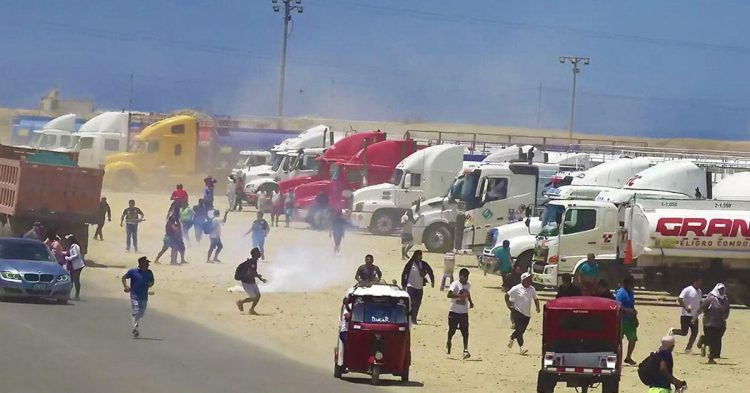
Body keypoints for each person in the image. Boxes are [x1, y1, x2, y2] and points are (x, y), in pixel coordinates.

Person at [505, 272, 540, 355]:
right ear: (524, 280)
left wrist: (537, 307)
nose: (530, 281)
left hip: (527, 314)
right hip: (517, 312)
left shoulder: (532, 289)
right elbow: (507, 295)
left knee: (521, 330)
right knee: (520, 331)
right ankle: (522, 347)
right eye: (528, 279)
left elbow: (535, 298)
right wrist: (509, 304)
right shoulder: (516, 288)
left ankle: (512, 337)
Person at [695, 283, 730, 364]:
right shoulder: (710, 299)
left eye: (723, 290)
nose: (722, 291)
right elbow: (702, 308)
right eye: (720, 290)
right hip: (709, 323)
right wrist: (694, 317)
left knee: (717, 341)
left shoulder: (725, 300)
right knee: (712, 340)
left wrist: (725, 316)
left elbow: (727, 310)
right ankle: (703, 341)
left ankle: (711, 356)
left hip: (720, 324)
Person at [121, 256, 155, 339]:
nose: (148, 265)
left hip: (144, 296)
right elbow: (124, 277)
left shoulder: (149, 272)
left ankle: (135, 321)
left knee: (141, 313)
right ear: (141, 264)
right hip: (134, 295)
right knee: (136, 310)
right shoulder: (133, 271)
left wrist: (150, 284)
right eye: (146, 263)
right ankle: (135, 328)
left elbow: (152, 281)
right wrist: (126, 286)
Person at [668, 277, 703, 353]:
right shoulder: (687, 289)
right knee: (684, 332)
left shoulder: (699, 291)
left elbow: (699, 301)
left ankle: (688, 348)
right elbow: (680, 299)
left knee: (694, 332)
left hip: (694, 316)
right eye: (699, 282)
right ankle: (673, 331)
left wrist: (700, 310)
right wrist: (686, 307)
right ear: (695, 282)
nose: (700, 284)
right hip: (685, 315)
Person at [400, 250, 435, 324]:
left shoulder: (423, 264)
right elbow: (404, 273)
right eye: (418, 255)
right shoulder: (410, 264)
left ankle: (414, 318)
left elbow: (430, 271)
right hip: (411, 286)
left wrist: (432, 281)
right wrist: (403, 284)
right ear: (415, 256)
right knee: (411, 302)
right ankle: (407, 317)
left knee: (417, 303)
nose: (420, 257)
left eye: (421, 255)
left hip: (419, 287)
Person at [446, 268, 474, 360]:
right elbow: (449, 295)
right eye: (465, 277)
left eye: (467, 277)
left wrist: (470, 302)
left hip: (464, 312)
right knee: (452, 331)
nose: (466, 279)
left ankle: (465, 350)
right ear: (461, 276)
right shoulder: (455, 284)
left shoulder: (468, 285)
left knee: (465, 332)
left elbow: (468, 293)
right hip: (454, 311)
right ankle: (449, 341)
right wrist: (459, 296)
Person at [234, 248, 267, 315]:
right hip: (246, 282)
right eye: (258, 252)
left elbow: (253, 272)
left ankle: (251, 309)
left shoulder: (254, 261)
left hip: (251, 281)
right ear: (255, 254)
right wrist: (258, 276)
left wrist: (260, 278)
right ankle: (240, 302)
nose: (260, 253)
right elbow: (250, 272)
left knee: (258, 296)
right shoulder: (251, 262)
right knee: (254, 297)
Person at [616, 275, 638, 365]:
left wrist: (635, 316)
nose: (633, 285)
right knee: (618, 340)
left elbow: (632, 305)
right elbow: (617, 305)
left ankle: (628, 357)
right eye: (632, 283)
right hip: (622, 320)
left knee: (633, 339)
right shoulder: (621, 293)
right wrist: (629, 311)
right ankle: (617, 358)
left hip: (630, 320)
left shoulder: (631, 292)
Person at [64, 234, 85, 300]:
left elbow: (76, 255)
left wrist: (68, 258)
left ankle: (77, 295)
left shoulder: (75, 246)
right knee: (71, 280)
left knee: (76, 280)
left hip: (77, 266)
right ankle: (68, 294)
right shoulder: (71, 246)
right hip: (73, 266)